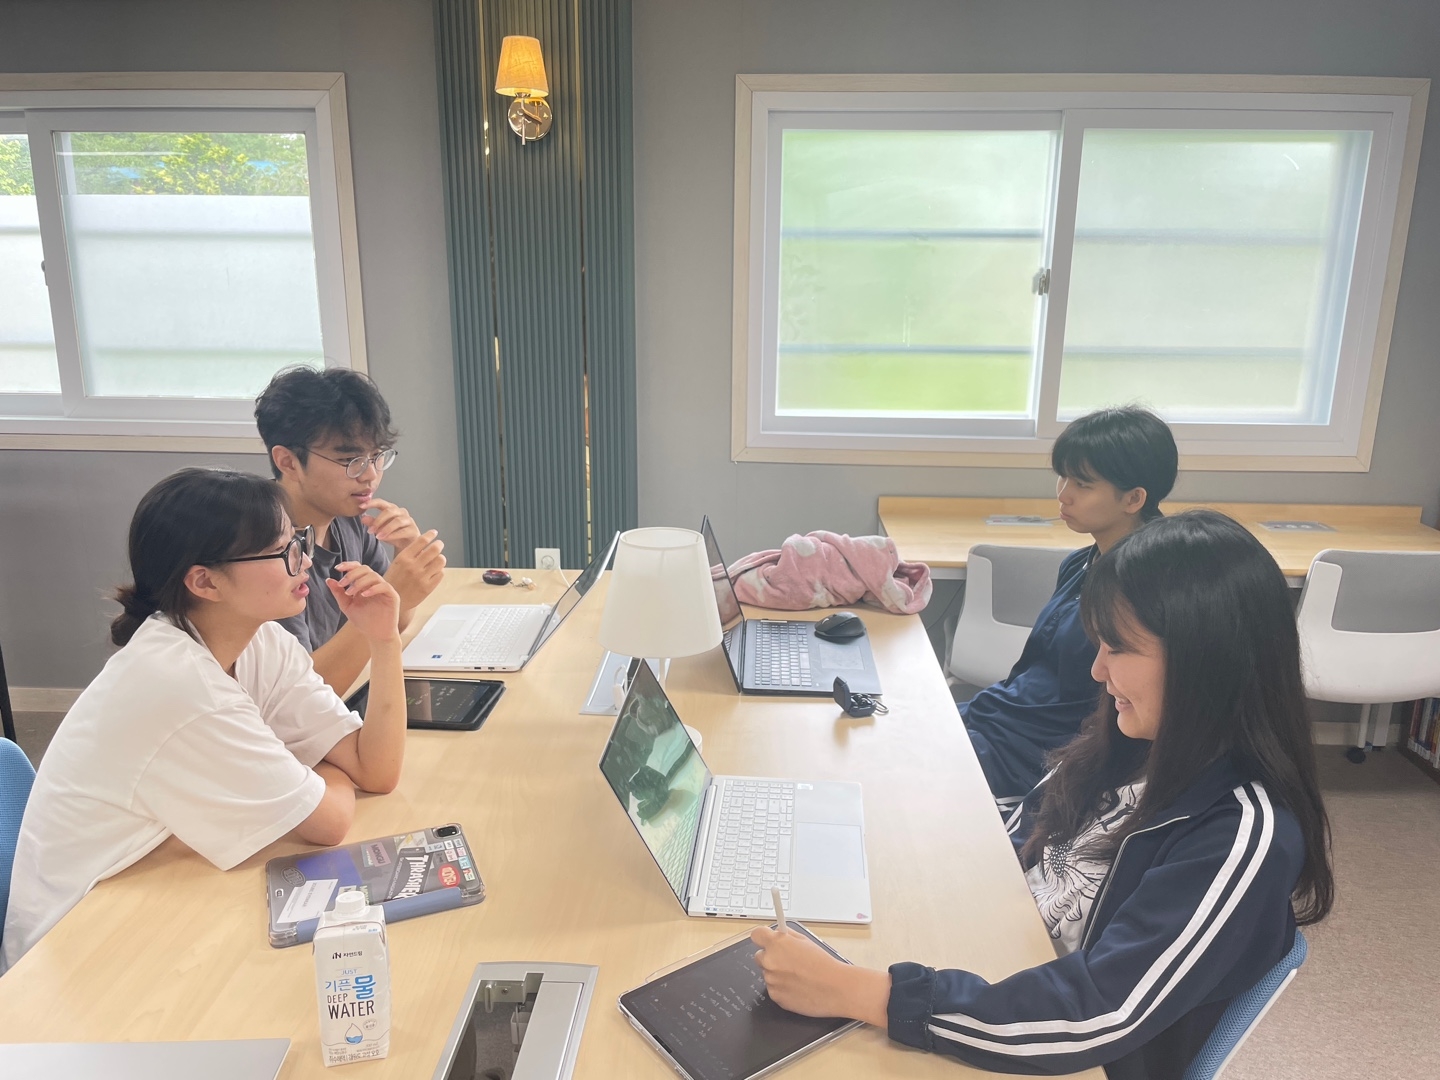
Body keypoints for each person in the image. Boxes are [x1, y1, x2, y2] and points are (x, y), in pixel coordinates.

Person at [752, 510, 1334, 1079]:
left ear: (1206, 662)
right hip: (1001, 975)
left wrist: (859, 991)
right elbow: (1030, 842)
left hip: (1060, 1046)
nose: (1098, 672)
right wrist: (904, 849)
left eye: (1118, 649)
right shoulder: (1135, 743)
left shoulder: (1242, 836)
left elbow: (1096, 1014)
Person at [1, 468, 409, 972]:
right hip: (73, 947)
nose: (304, 561)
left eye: (298, 541)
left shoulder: (261, 641)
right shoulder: (178, 683)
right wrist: (319, 768)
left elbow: (377, 771)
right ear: (204, 581)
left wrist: (383, 640)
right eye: (282, 552)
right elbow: (329, 824)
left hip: (154, 889)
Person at [961, 406, 1178, 808]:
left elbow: (1111, 718)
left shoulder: (1148, 587)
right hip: (1003, 715)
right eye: (1063, 477)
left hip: (1040, 753)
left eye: (1082, 484)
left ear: (1134, 498)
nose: (1063, 494)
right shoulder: (1082, 562)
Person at [255, 366, 446, 694]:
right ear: (288, 462)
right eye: (350, 461)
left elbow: (397, 622)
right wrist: (396, 589)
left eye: (377, 456)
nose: (370, 475)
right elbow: (299, 695)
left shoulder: (348, 518)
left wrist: (406, 561)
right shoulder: (261, 551)